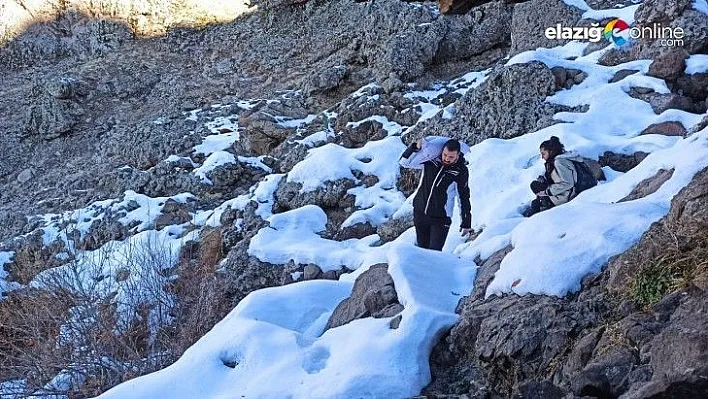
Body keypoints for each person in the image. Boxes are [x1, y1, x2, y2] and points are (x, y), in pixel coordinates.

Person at [399, 136, 472, 251]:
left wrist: (466, 222)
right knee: (422, 252)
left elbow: (463, 196)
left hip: (441, 218)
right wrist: (414, 147)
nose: (447, 159)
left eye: (451, 157)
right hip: (420, 213)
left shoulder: (460, 171)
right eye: (445, 155)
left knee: (434, 254)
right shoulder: (430, 161)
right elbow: (405, 163)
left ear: (458, 155)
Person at [522, 136, 587, 217]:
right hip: (563, 191)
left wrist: (547, 192)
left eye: (543, 153)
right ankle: (543, 202)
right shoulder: (557, 159)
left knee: (535, 204)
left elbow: (568, 183)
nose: (542, 157)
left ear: (551, 151)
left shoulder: (559, 162)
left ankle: (540, 211)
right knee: (535, 185)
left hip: (566, 196)